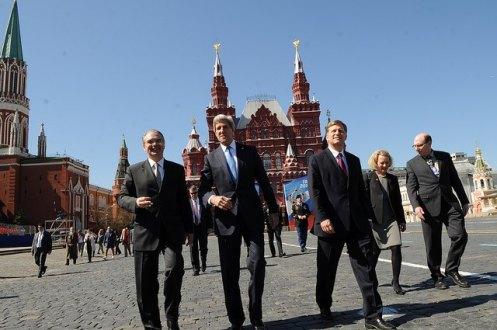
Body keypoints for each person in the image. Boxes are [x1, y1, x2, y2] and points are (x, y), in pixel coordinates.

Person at [308, 120, 394, 329]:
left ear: (346, 136)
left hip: (356, 224)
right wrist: (323, 217)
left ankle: (373, 316)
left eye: (341, 131)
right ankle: (325, 306)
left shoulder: (354, 161)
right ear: (326, 136)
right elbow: (315, 191)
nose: (337, 133)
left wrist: (369, 218)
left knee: (366, 270)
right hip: (330, 224)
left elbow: (360, 193)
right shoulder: (316, 160)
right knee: (327, 270)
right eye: (333, 131)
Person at [198, 114, 279, 330]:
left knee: (257, 263)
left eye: (225, 127)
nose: (222, 131)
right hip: (226, 220)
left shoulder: (249, 152)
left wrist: (273, 210)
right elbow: (202, 191)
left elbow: (264, 181)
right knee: (229, 272)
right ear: (214, 132)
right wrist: (213, 198)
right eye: (218, 129)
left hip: (252, 217)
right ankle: (236, 319)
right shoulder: (210, 158)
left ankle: (256, 315)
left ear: (233, 130)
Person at [118, 129, 193, 330]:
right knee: (145, 285)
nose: (154, 145)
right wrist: (135, 202)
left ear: (164, 144)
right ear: (144, 146)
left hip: (172, 231)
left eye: (158, 141)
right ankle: (152, 325)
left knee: (174, 270)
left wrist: (190, 229)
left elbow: (183, 202)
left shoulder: (176, 170)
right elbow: (121, 197)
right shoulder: (133, 170)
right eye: (150, 142)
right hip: (145, 231)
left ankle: (172, 317)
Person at [406, 132, 470, 290]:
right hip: (427, 208)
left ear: (429, 144)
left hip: (450, 204)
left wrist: (465, 201)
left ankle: (452, 269)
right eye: (414, 145)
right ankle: (436, 276)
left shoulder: (444, 157)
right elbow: (411, 187)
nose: (416, 149)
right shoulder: (412, 163)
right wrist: (416, 206)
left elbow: (455, 179)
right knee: (432, 244)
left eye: (419, 145)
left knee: (460, 235)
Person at [364, 150, 407, 295]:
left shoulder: (392, 179)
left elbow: (397, 201)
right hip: (374, 221)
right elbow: (363, 200)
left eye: (387, 162)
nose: (384, 165)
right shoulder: (368, 177)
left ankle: (396, 281)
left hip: (391, 219)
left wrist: (401, 220)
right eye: (381, 162)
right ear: (375, 162)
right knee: (374, 253)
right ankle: (370, 280)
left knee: (396, 248)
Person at [188, 185, 211, 276]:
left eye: (195, 193)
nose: (193, 195)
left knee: (203, 247)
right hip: (192, 228)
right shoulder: (187, 203)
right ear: (189, 194)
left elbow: (209, 215)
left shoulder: (203, 202)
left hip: (202, 227)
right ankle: (195, 268)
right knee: (193, 248)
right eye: (192, 193)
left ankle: (204, 262)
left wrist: (210, 227)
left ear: (197, 192)